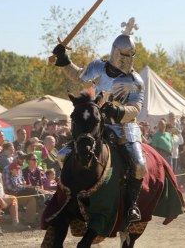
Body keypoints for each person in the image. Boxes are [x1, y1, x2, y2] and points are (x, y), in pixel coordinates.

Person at [53, 18, 146, 223]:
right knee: (62, 155)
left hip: (124, 128)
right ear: (115, 52)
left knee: (139, 165)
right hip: (96, 124)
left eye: (131, 55)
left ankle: (132, 207)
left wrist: (116, 109)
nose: (127, 59)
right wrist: (64, 59)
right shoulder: (98, 66)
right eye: (124, 54)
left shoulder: (134, 80)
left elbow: (136, 109)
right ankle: (63, 195)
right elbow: (79, 75)